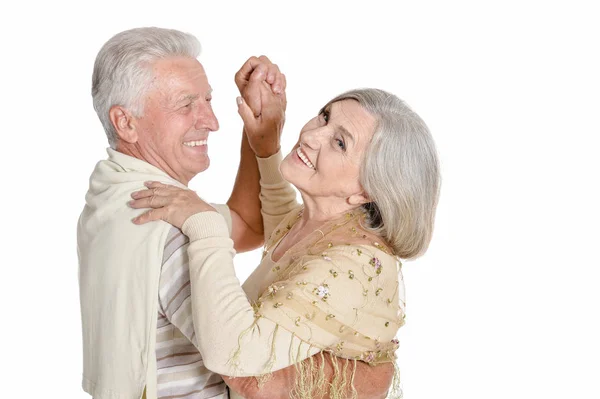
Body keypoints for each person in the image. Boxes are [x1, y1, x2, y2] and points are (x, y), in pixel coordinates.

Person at [78, 26, 394, 399]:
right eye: (185, 104)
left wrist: (260, 139)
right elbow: (247, 371)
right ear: (125, 122)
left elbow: (251, 224)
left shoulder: (116, 194)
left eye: (208, 99)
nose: (211, 121)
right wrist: (375, 374)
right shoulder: (173, 228)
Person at [129, 77, 441, 397]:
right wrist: (267, 147)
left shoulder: (354, 265)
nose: (311, 135)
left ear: (366, 190)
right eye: (324, 116)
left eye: (340, 142)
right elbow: (282, 225)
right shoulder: (324, 222)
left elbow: (233, 356)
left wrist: (204, 224)